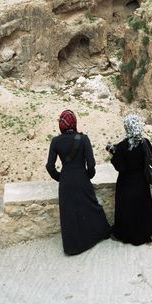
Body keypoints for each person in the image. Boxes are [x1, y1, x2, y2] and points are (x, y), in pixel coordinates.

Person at [46, 109, 110, 255]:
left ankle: (72, 247)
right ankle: (100, 233)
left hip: (66, 181)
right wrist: (88, 176)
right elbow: (92, 165)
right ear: (74, 122)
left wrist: (60, 177)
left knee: (70, 214)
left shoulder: (55, 141)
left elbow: (49, 166)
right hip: (82, 177)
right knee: (91, 207)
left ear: (61, 125)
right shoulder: (83, 139)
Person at [107, 114, 152, 245]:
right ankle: (147, 232)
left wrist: (112, 155)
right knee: (142, 208)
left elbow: (120, 167)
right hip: (141, 182)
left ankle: (128, 235)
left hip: (126, 184)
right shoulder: (145, 143)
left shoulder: (122, 146)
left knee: (127, 211)